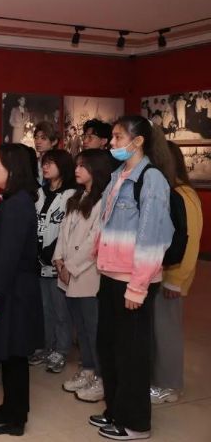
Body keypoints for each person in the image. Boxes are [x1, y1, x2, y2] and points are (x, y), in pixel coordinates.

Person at [90, 115, 175, 440]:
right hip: (110, 275)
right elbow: (107, 223)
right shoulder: (118, 175)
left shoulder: (151, 180)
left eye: (117, 137)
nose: (111, 143)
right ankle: (115, 410)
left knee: (132, 353)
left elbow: (152, 238)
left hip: (133, 280)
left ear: (138, 141)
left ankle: (136, 423)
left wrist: (137, 287)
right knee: (109, 347)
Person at [0, 143, 43, 436]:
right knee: (10, 355)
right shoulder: (13, 199)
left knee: (14, 356)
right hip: (12, 289)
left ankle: (14, 419)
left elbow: (8, 256)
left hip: (14, 292)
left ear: (12, 169)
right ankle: (11, 407)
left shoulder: (17, 205)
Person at [53, 149, 114, 403]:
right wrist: (59, 259)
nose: (76, 170)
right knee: (80, 325)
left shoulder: (104, 201)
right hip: (68, 271)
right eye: (76, 165)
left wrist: (71, 266)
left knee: (93, 328)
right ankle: (87, 369)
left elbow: (94, 241)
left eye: (82, 166)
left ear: (96, 170)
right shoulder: (76, 197)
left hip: (87, 273)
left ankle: (100, 376)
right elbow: (64, 231)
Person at [150, 141, 203, 404]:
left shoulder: (183, 195)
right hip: (158, 274)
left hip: (171, 277)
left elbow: (189, 243)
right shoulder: (170, 192)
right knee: (158, 331)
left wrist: (176, 281)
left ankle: (169, 385)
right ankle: (159, 379)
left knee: (166, 331)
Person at [29, 149, 76, 374]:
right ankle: (45, 346)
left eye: (50, 163)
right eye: (44, 163)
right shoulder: (39, 192)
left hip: (58, 261)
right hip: (37, 260)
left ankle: (61, 349)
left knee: (61, 310)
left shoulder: (72, 195)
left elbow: (69, 230)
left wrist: (53, 252)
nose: (45, 167)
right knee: (43, 308)